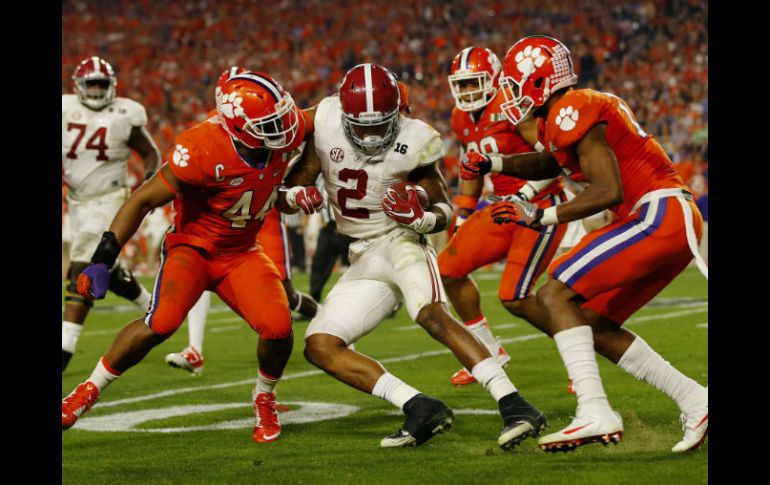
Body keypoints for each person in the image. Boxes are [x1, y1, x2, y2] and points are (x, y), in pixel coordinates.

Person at [461, 35, 708, 453]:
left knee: (554, 292)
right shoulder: (568, 110)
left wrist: (542, 215)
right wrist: (496, 163)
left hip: (656, 212)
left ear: (540, 81)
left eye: (518, 83)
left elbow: (608, 188)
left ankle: (594, 410)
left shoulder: (571, 107)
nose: (512, 94)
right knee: (593, 323)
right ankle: (696, 400)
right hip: (664, 217)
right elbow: (552, 161)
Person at [281, 63, 546, 450]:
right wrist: (294, 196)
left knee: (431, 313)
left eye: (381, 123)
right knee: (320, 345)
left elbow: (444, 210)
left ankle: (515, 404)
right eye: (362, 124)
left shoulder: (416, 137)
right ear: (343, 113)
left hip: (401, 239)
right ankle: (420, 407)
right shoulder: (324, 120)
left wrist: (419, 218)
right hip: (360, 255)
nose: (372, 134)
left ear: (397, 114)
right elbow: (289, 185)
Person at [61, 72, 325, 444]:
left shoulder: (286, 124)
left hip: (242, 251)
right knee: (160, 323)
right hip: (193, 248)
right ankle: (86, 390)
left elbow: (328, 113)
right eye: (269, 124)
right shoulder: (201, 149)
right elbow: (142, 200)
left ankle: (264, 395)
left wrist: (299, 185)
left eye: (281, 117)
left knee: (279, 327)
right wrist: (103, 258)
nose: (283, 129)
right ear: (236, 127)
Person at [163, 67, 320, 375]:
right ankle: (195, 348)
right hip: (223, 223)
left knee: (284, 296)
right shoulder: (211, 132)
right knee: (197, 275)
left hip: (266, 212)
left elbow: (310, 123)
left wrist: (296, 181)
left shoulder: (267, 117)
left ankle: (326, 319)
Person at [439, 47, 569, 386]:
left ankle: (578, 355)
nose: (468, 92)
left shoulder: (514, 107)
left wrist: (525, 195)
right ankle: (487, 349)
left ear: (494, 78)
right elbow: (471, 169)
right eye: (462, 85)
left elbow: (555, 160)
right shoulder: (460, 117)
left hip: (538, 207)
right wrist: (464, 215)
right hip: (500, 208)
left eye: (473, 83)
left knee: (515, 295)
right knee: (447, 270)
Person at [62, 56, 160, 372]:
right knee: (108, 270)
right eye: (91, 83)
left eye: (101, 84)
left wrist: (149, 180)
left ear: (111, 87)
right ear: (79, 86)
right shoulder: (65, 109)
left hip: (110, 198)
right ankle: (150, 304)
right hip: (78, 202)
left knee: (83, 267)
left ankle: (65, 345)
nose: (95, 89)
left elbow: (150, 152)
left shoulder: (123, 113)